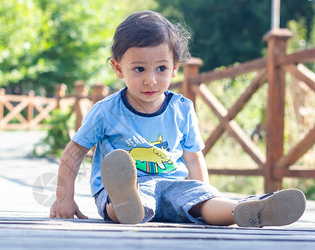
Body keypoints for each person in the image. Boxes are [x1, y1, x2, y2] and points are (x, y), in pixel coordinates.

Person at [49, 10, 306, 226]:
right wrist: (65, 198)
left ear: (175, 68)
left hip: (174, 186)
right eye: (139, 69)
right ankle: (126, 204)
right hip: (130, 189)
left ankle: (246, 210)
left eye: (161, 68)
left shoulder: (181, 108)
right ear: (118, 68)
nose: (151, 79)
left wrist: (203, 194)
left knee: (200, 201)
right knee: (132, 201)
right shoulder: (106, 111)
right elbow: (73, 153)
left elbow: (193, 157)